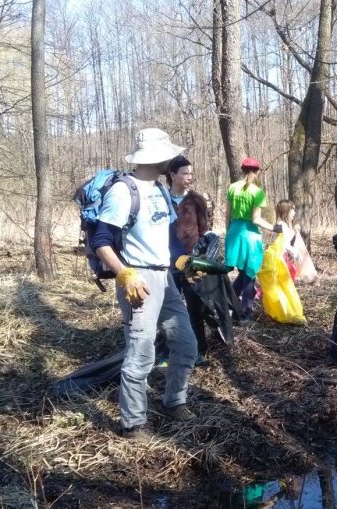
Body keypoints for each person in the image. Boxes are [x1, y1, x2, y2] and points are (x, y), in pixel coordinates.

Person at [89, 128, 198, 438]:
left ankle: (174, 402)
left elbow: (169, 240)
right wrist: (125, 275)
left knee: (186, 344)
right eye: (168, 155)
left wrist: (184, 264)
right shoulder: (124, 191)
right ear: (154, 157)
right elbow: (101, 240)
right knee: (141, 353)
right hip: (138, 279)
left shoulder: (160, 189)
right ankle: (133, 424)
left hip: (165, 279)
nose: (172, 160)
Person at [155, 155, 210, 367]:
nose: (189, 176)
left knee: (196, 308)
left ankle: (198, 351)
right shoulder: (161, 198)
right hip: (166, 262)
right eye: (185, 173)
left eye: (191, 173)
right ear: (172, 175)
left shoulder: (196, 200)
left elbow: (203, 232)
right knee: (167, 310)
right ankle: (165, 354)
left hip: (191, 263)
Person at [225, 157, 280, 320]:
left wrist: (229, 233)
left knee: (242, 273)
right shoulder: (257, 192)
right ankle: (245, 312)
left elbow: (227, 215)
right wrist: (274, 228)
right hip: (250, 236)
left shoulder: (232, 187)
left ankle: (228, 304)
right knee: (249, 273)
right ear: (257, 171)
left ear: (242, 170)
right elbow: (256, 219)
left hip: (234, 232)